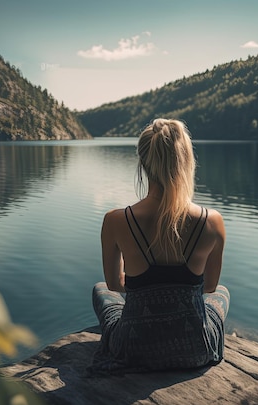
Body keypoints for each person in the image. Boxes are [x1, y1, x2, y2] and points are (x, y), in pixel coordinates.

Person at [89, 118, 230, 375]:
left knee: (100, 290)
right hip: (196, 349)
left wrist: (143, 286)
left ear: (143, 163)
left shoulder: (115, 220)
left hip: (132, 348)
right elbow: (208, 287)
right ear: (186, 161)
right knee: (222, 294)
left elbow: (114, 285)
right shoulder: (213, 221)